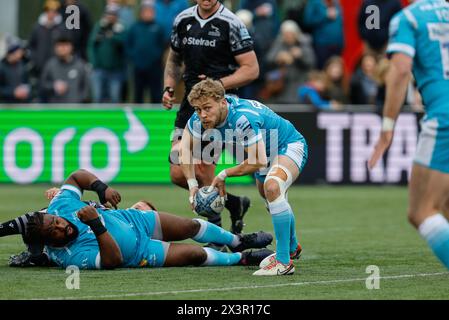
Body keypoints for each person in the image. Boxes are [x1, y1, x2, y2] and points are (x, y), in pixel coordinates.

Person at [1, 169, 273, 270]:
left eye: (55, 221)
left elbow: (75, 176)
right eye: (55, 230)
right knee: (194, 255)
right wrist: (96, 224)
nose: (61, 224)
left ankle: (237, 240)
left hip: (135, 220)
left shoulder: (59, 206)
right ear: (49, 243)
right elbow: (112, 260)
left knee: (190, 225)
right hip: (140, 252)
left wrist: (100, 188)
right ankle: (243, 258)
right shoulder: (68, 257)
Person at [179, 78, 307, 276]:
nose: (202, 115)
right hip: (266, 150)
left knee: (273, 187)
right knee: (269, 195)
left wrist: (223, 174)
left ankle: (283, 262)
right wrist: (192, 185)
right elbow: (184, 149)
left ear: (222, 102)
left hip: (289, 144)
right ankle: (292, 247)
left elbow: (257, 161)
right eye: (197, 109)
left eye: (207, 108)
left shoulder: (241, 118)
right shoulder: (198, 119)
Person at [163, 0, 260, 237]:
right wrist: (169, 87)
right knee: (177, 172)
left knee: (205, 167)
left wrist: (218, 84)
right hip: (189, 104)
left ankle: (215, 233)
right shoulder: (182, 20)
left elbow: (251, 69)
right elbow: (174, 59)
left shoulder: (232, 23)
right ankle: (234, 204)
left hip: (216, 107)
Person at [369, 0, 449, 270]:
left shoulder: (409, 18)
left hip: (444, 116)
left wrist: (387, 128)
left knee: (421, 212)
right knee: (445, 205)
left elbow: (400, 70)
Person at [265, 20, 315, 104]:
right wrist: (279, 58)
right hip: (281, 86)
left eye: (290, 34)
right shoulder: (279, 44)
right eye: (285, 34)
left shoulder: (303, 44)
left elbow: (311, 63)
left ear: (296, 34)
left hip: (299, 84)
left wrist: (300, 56)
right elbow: (268, 60)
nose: (288, 37)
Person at [126, 0, 165, 103]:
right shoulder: (134, 28)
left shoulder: (158, 28)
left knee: (156, 94)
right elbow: (128, 45)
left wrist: (155, 57)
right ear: (141, 13)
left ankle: (156, 116)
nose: (148, 14)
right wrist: (134, 58)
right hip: (138, 67)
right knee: (138, 93)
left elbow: (162, 46)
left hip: (154, 67)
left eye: (150, 11)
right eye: (146, 11)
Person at [88, 4, 126, 103]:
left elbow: (124, 45)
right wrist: (94, 63)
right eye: (109, 14)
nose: (111, 16)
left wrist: (113, 36)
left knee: (115, 97)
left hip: (116, 70)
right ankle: (97, 118)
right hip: (99, 69)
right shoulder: (99, 27)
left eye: (113, 14)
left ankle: (114, 119)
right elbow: (91, 45)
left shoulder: (121, 29)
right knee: (97, 96)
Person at [40, 35, 90, 103]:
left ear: (71, 47)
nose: (61, 49)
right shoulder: (50, 65)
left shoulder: (80, 65)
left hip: (75, 108)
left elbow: (86, 87)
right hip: (55, 108)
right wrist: (53, 86)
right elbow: (43, 84)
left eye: (64, 45)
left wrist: (82, 101)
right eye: (59, 46)